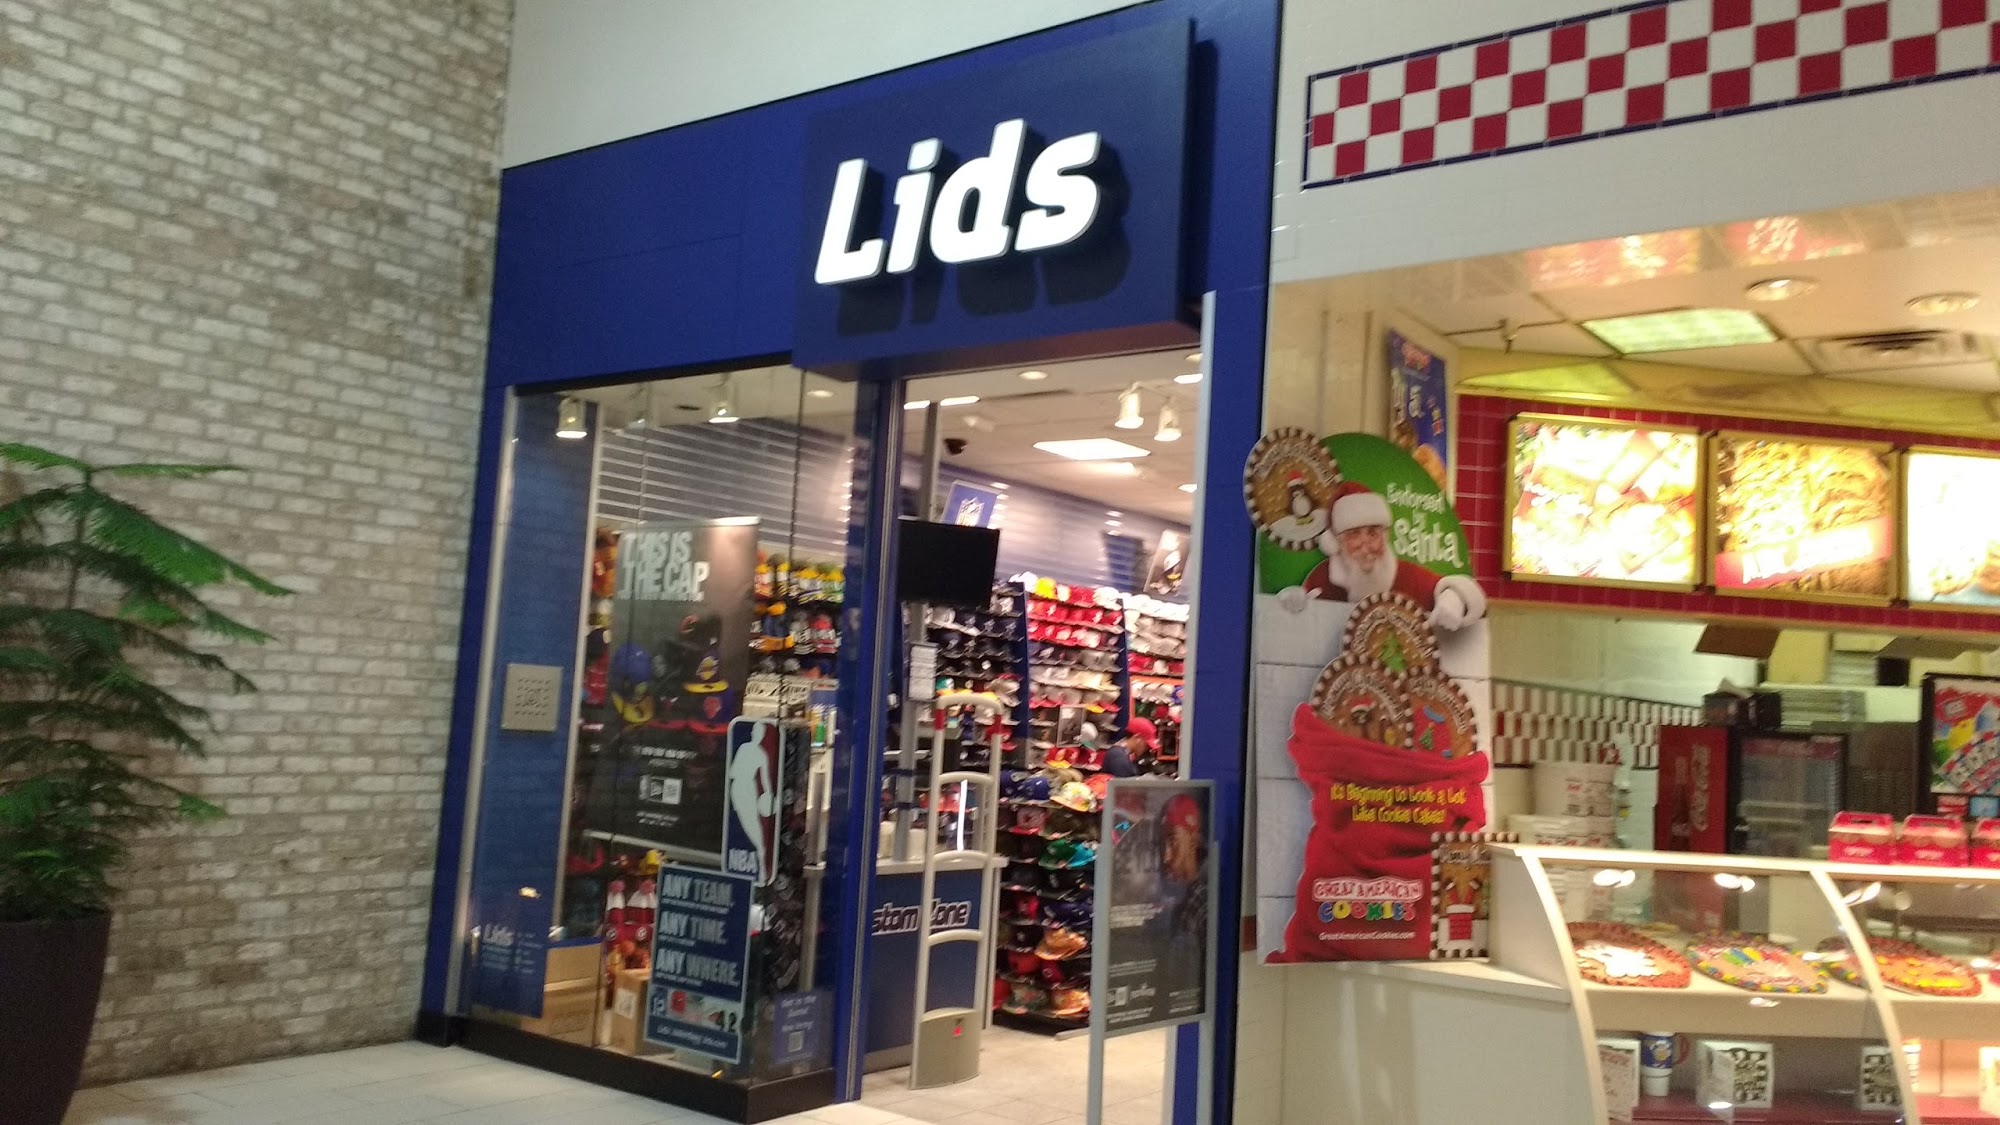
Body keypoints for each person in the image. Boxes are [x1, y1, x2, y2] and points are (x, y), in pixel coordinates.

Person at [1276, 480, 1487, 630]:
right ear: (1336, 542)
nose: (1365, 545)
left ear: (1385, 537)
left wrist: (1454, 598)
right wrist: (1292, 606)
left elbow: (1458, 589)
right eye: (1354, 534)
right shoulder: (1323, 578)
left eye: (1373, 533)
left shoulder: (1407, 575)